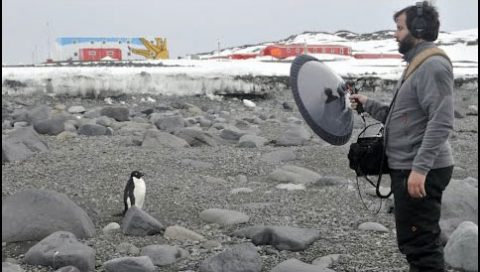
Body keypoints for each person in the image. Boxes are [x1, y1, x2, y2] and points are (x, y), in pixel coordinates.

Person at [350, 2, 454, 272]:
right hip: (410, 166)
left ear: (418, 29)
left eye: (399, 28)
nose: (395, 34)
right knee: (415, 241)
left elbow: (442, 122)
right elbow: (401, 118)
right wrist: (368, 103)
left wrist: (420, 170)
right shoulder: (416, 65)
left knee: (421, 246)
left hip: (420, 169)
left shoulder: (433, 66)